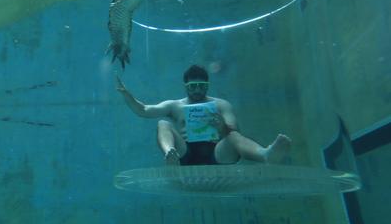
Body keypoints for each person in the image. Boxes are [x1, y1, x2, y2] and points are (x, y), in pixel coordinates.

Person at [116, 64, 291, 166]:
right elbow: (144, 110)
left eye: (201, 85)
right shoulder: (175, 105)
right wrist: (127, 95)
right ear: (186, 86)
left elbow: (235, 133)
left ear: (207, 85)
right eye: (193, 86)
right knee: (163, 124)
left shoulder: (221, 105)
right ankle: (170, 153)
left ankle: (264, 154)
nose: (197, 90)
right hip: (184, 155)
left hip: (217, 153)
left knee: (234, 136)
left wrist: (221, 126)